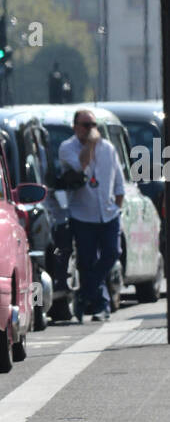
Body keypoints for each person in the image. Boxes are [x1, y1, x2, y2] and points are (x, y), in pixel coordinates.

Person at [58, 109, 125, 321]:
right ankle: (101, 305)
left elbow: (119, 181)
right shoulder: (67, 148)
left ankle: (83, 295)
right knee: (86, 261)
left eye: (93, 125)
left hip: (108, 214)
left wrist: (117, 205)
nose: (90, 129)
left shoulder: (109, 148)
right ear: (75, 126)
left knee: (112, 253)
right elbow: (82, 165)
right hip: (83, 214)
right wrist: (90, 144)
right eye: (86, 125)